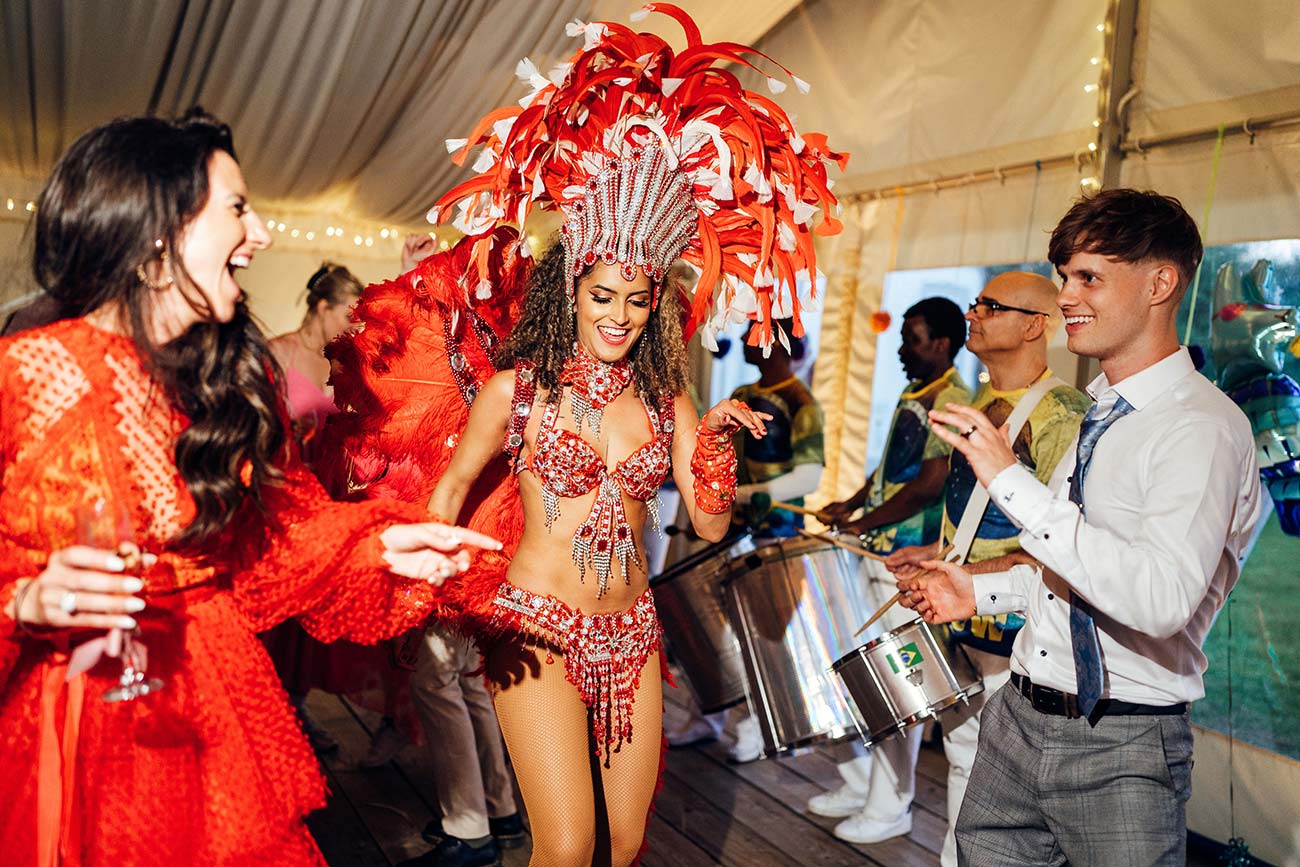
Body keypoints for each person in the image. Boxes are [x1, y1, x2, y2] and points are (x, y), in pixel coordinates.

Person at [345, 9, 843, 865]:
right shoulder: (515, 391)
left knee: (627, 841)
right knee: (567, 844)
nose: (618, 316)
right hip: (536, 626)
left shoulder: (666, 399)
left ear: (655, 307)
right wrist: (432, 586)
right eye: (602, 296)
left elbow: (710, 524)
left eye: (637, 300)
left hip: (634, 632)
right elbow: (450, 488)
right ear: (570, 289)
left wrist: (714, 448)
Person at [0, 110, 500, 866]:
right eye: (237, 208)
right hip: (79, 713)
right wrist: (25, 599)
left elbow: (276, 539)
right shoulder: (30, 369)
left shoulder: (220, 378)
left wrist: (380, 544)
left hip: (211, 691)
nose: (260, 233)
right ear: (158, 229)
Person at [900, 189, 1262, 866]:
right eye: (1065, 276)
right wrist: (979, 592)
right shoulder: (1102, 410)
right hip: (1016, 716)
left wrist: (1008, 479)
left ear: (1160, 283)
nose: (1065, 296)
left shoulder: (1201, 428)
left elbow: (1158, 600)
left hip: (1120, 744)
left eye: (1088, 277)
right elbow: (1078, 568)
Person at [882, 272, 1088, 866]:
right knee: (962, 753)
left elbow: (1061, 541)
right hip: (959, 610)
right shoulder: (972, 404)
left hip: (1018, 622)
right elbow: (969, 510)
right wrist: (934, 552)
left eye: (990, 307)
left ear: (1034, 326)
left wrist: (970, 577)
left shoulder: (1066, 412)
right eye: (976, 304)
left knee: (1006, 779)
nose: (973, 314)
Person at [806, 296, 970, 845]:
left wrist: (863, 522)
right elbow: (889, 471)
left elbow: (928, 484)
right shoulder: (916, 391)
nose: (901, 348)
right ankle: (864, 785)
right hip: (881, 552)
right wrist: (852, 507)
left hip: (908, 559)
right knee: (870, 679)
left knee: (899, 683)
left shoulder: (951, 397)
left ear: (941, 344)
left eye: (912, 339)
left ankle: (890, 804)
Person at [666, 317, 825, 760]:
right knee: (712, 628)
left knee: (763, 633)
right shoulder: (741, 395)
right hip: (731, 531)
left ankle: (758, 724)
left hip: (774, 535)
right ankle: (708, 715)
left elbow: (809, 476)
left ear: (777, 344)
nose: (742, 340)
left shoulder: (803, 403)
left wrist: (748, 495)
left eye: (753, 333)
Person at [261, 262, 365, 755]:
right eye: (347, 315)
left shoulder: (345, 361)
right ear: (322, 308)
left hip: (330, 501)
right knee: (278, 612)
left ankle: (296, 709)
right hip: (282, 499)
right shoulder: (277, 353)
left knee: (310, 616)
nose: (352, 326)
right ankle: (272, 714)